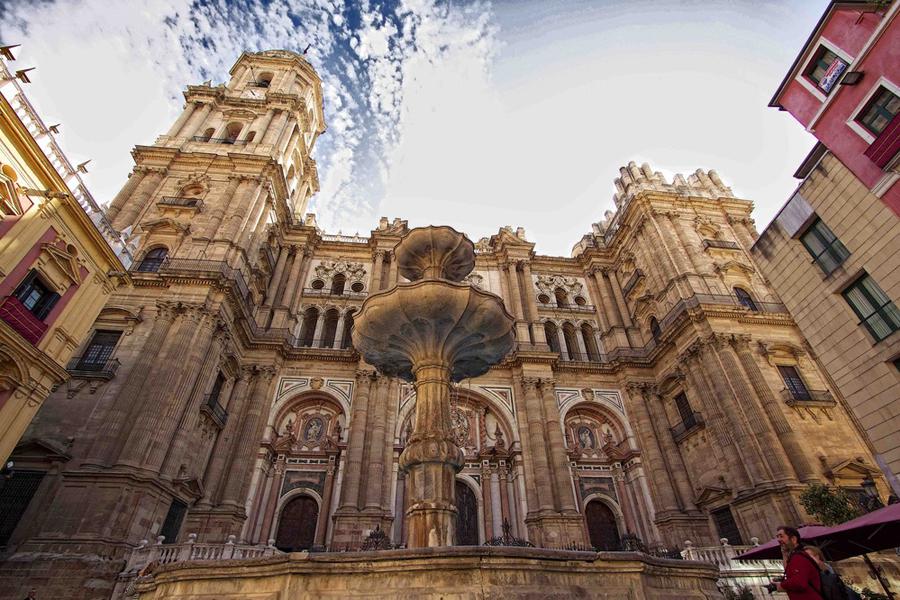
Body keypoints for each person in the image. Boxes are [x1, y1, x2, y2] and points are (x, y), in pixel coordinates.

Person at [764, 526, 822, 599]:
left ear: (793, 539)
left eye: (781, 536)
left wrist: (781, 585)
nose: (778, 540)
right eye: (777, 537)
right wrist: (784, 554)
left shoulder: (799, 557)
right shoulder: (795, 557)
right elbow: (790, 574)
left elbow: (799, 583)